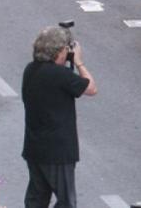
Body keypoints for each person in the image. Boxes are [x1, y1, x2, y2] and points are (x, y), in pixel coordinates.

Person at [22, 26, 97, 208]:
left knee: (36, 200)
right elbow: (91, 88)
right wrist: (78, 62)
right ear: (58, 52)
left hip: (34, 148)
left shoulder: (30, 70)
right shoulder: (60, 75)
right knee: (66, 201)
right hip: (58, 152)